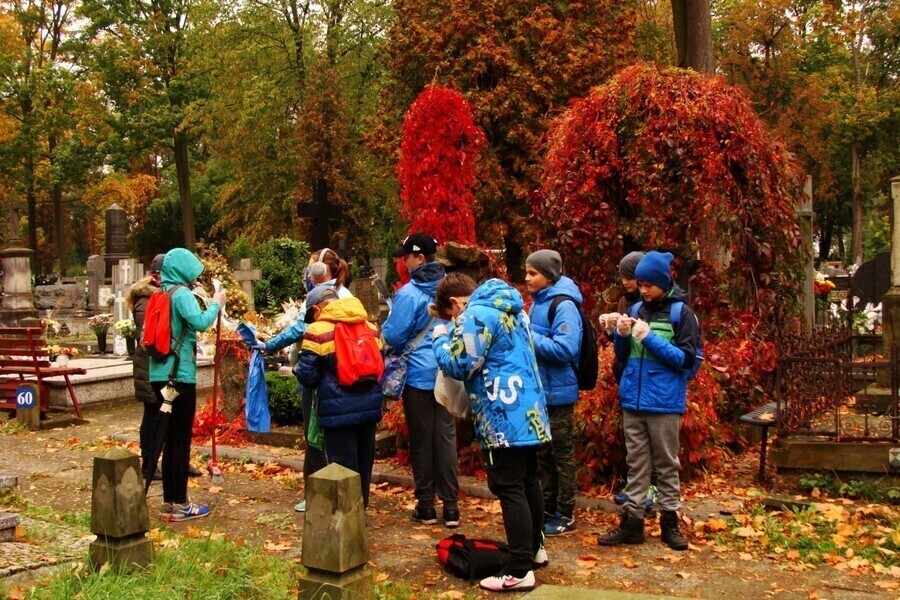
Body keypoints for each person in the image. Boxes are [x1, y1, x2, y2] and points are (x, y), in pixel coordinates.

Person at [432, 274, 551, 593]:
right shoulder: (516, 309)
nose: (455, 321)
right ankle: (534, 551)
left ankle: (518, 570)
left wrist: (441, 340)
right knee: (528, 481)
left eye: (452, 315)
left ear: (456, 303)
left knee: (509, 486)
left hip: (501, 414)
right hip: (529, 410)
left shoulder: (476, 314)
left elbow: (460, 365)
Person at [596, 251, 697, 551]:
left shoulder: (682, 313)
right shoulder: (637, 307)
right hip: (633, 401)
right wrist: (621, 335)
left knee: (666, 464)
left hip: (664, 402)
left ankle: (670, 522)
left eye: (649, 285)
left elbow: (686, 360)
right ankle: (633, 523)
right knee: (636, 464)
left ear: (664, 282)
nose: (643, 290)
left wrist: (649, 337)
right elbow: (624, 358)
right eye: (640, 284)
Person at [250, 248, 353, 512]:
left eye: (309, 268)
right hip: (344, 373)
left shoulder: (319, 297)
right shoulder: (346, 294)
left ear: (319, 271)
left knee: (314, 436)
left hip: (318, 376)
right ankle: (345, 491)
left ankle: (316, 493)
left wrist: (267, 344)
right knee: (338, 437)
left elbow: (299, 329)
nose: (307, 274)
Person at [382, 233, 459, 528]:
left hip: (417, 377)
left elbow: (393, 335)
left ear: (420, 258)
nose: (403, 261)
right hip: (448, 374)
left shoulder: (407, 294)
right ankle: (451, 508)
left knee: (421, 441)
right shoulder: (452, 289)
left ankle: (426, 506)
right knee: (446, 440)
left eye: (406, 256)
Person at [148, 248, 226, 522]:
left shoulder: (160, 293)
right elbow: (201, 322)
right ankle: (180, 504)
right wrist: (216, 303)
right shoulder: (181, 295)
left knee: (169, 441)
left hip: (159, 374)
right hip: (179, 375)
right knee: (180, 441)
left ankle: (169, 502)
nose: (195, 278)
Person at [294, 284, 384, 508]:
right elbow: (379, 362)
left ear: (316, 309)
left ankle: (344, 520)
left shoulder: (318, 330)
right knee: (364, 465)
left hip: (337, 411)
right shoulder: (370, 327)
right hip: (369, 409)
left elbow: (307, 375)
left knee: (342, 467)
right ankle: (360, 515)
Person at [524, 250, 582, 537]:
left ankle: (566, 512)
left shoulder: (563, 305)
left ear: (549, 275)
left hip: (559, 393)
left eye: (533, 273)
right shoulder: (537, 303)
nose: (527, 279)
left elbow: (566, 349)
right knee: (544, 454)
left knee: (561, 455)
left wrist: (528, 335)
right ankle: (547, 507)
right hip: (541, 393)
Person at [127, 253, 165, 484]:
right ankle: (148, 464)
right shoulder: (145, 298)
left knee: (169, 413)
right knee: (152, 414)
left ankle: (170, 459)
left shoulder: (160, 294)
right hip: (149, 366)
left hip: (159, 364)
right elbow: (150, 334)